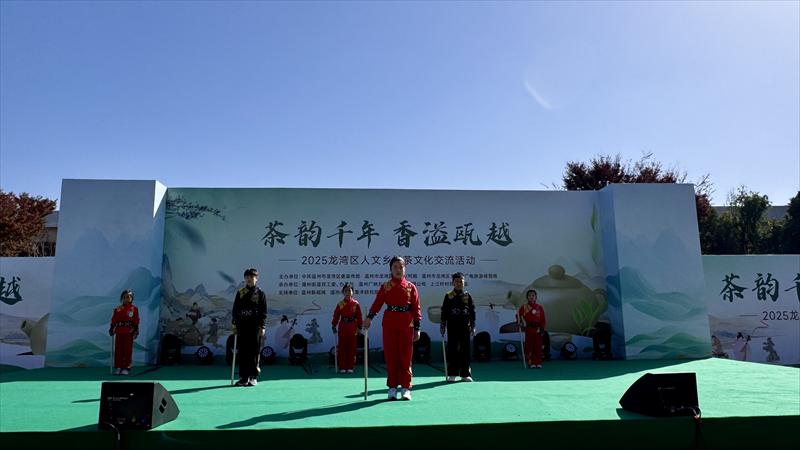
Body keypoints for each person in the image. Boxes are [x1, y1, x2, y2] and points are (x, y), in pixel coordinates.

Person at [364, 256, 421, 401]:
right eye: (395, 267)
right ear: (390, 269)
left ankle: (406, 388)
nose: (398, 270)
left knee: (405, 356)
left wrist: (417, 328)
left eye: (401, 267)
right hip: (390, 322)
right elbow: (377, 303)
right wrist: (369, 318)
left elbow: (416, 308)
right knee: (391, 356)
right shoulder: (386, 286)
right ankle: (392, 387)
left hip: (406, 323)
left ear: (405, 269)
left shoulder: (411, 287)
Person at [232, 268, 267, 387]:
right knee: (242, 352)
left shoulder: (260, 293)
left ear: (256, 278)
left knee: (254, 352)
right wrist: (235, 324)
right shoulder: (240, 292)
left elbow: (263, 311)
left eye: (251, 277)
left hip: (255, 326)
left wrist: (262, 326)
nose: (249, 279)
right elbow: (235, 310)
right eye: (247, 277)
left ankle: (253, 377)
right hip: (242, 326)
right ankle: (243, 377)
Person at [440, 272, 475, 382]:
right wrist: (443, 325)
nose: (459, 283)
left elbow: (472, 311)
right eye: (456, 281)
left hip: (465, 326)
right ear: (453, 283)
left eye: (461, 281)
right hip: (452, 326)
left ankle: (465, 374)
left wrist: (473, 325)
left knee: (465, 350)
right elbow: (444, 311)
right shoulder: (449, 295)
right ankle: (452, 373)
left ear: (464, 282)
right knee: (453, 349)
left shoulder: (467, 295)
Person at [332, 283, 363, 373]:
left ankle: (350, 366)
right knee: (342, 347)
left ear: (352, 292)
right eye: (346, 291)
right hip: (343, 326)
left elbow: (359, 316)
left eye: (349, 290)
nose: (348, 292)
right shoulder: (340, 304)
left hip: (352, 326)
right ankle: (342, 366)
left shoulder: (355, 304)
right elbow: (336, 315)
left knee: (352, 347)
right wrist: (333, 325)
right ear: (343, 292)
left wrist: (360, 326)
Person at [109, 289, 140, 375]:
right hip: (119, 331)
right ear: (122, 298)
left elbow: (136, 320)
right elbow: (114, 319)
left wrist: (136, 330)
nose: (126, 299)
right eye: (125, 297)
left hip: (129, 331)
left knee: (127, 350)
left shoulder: (134, 309)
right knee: (118, 350)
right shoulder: (118, 309)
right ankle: (118, 367)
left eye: (128, 297)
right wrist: (112, 328)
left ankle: (126, 367)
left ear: (131, 298)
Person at [517, 289, 546, 369]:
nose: (531, 297)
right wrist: (519, 322)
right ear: (527, 297)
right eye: (529, 295)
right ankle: (531, 362)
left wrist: (542, 328)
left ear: (536, 297)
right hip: (529, 329)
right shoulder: (524, 307)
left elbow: (543, 319)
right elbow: (518, 316)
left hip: (538, 329)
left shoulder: (539, 307)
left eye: (533, 295)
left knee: (538, 346)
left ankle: (538, 362)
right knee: (529, 346)